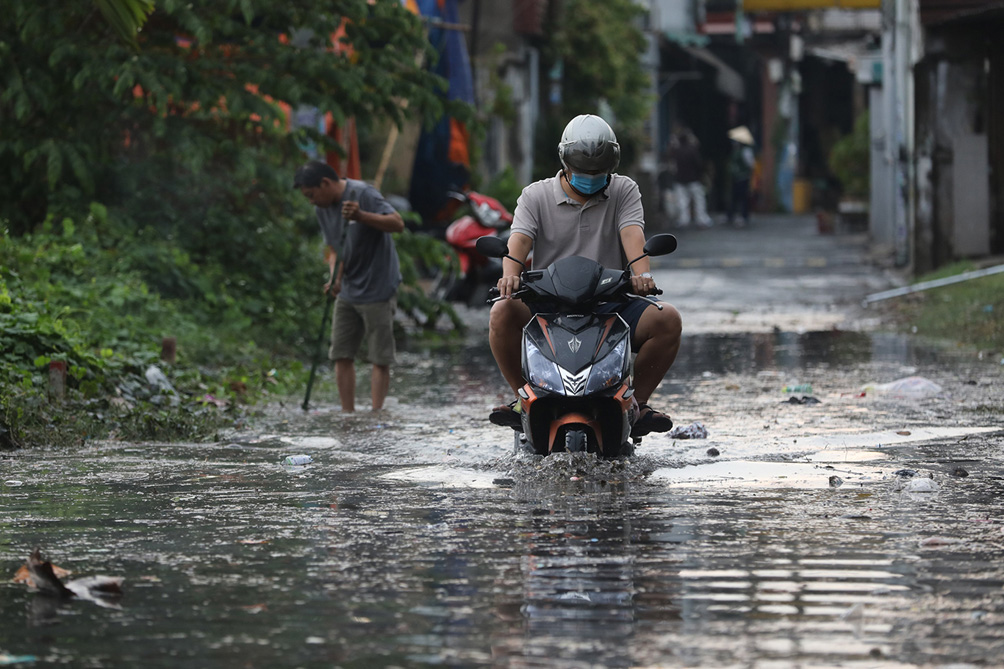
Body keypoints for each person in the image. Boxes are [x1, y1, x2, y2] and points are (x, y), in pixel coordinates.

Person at [487, 114, 682, 438]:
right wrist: (510, 275)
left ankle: (637, 404)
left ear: (611, 166)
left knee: (668, 319)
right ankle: (524, 398)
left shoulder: (624, 189)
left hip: (610, 303)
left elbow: (633, 235)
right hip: (547, 307)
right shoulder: (535, 195)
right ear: (565, 163)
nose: (591, 178)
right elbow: (518, 240)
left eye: (599, 173)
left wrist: (641, 275)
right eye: (584, 172)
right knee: (501, 311)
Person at [293, 160, 405, 412]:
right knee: (341, 353)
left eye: (312, 195)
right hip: (348, 289)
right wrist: (335, 278)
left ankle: (376, 414)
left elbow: (397, 223)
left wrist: (361, 216)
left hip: (378, 286)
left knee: (379, 357)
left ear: (325, 183)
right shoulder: (322, 208)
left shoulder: (362, 194)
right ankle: (348, 414)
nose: (311, 201)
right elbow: (334, 250)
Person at [668, 126, 713, 227]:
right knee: (699, 200)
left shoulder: (677, 151)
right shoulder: (692, 150)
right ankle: (701, 219)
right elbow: (699, 165)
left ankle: (683, 220)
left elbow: (672, 163)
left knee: (682, 202)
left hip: (680, 179)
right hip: (693, 179)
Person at [726, 125, 756, 228]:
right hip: (735, 178)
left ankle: (744, 216)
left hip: (743, 178)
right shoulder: (735, 151)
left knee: (743, 198)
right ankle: (730, 216)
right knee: (733, 198)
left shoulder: (746, 151)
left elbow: (751, 164)